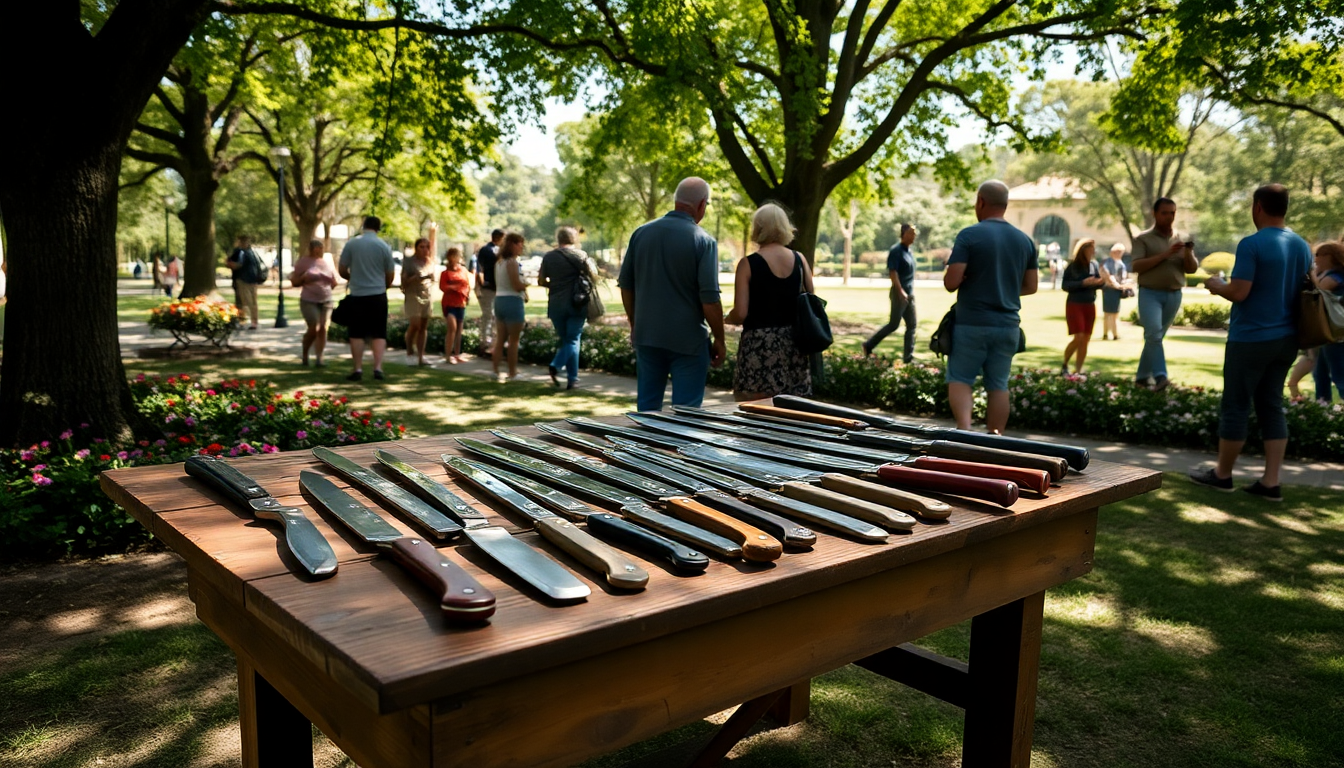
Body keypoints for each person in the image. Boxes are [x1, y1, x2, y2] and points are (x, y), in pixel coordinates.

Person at [1189, 185, 1312, 501]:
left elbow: (1239, 292)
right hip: (1287, 339)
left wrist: (1216, 285)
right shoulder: (1301, 245)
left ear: (1257, 207)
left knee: (1236, 404)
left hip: (1251, 338)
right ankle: (1271, 482)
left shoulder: (1252, 244)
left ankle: (1222, 474)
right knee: (1272, 404)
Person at [619, 176, 727, 411]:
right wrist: (719, 338)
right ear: (701, 205)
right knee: (686, 415)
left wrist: (634, 322)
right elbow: (709, 299)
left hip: (648, 335)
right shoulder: (704, 241)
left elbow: (626, 285)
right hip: (688, 340)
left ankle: (644, 448)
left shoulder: (641, 234)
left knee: (647, 410)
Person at [942, 180, 1038, 434]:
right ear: (1005, 205)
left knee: (961, 379)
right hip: (1007, 326)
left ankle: (964, 430)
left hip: (971, 323)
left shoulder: (969, 235)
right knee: (998, 384)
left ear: (980, 201)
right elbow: (1031, 286)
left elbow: (951, 282)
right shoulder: (1025, 241)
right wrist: (1003, 287)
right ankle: (996, 438)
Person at [726, 203, 817, 399]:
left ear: (758, 228)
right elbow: (811, 300)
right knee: (792, 412)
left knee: (754, 410)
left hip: (759, 346)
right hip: (794, 344)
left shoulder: (747, 264)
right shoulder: (800, 260)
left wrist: (726, 318)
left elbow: (740, 313)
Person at [1131, 198, 1198, 390]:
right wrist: (1165, 254)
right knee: (1153, 335)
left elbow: (1191, 269)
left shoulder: (1181, 238)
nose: (1169, 217)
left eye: (1172, 213)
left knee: (1156, 338)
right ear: (1154, 213)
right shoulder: (1142, 239)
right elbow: (1136, 266)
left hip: (1174, 294)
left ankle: (1142, 378)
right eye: (1164, 213)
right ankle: (1161, 377)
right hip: (1150, 293)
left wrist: (1188, 254)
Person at [337, 216, 396, 381]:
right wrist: (384, 286)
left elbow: (342, 268)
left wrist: (352, 277)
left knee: (356, 333)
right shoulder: (383, 246)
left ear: (363, 226)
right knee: (379, 333)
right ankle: (377, 368)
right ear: (378, 228)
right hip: (378, 294)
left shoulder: (352, 244)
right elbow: (390, 273)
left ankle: (358, 368)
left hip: (357, 294)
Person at [538, 226, 594, 390]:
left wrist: (554, 284)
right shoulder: (580, 255)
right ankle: (558, 366)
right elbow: (592, 277)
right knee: (573, 339)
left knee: (567, 340)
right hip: (577, 302)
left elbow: (541, 280)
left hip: (556, 303)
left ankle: (573, 380)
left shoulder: (549, 257)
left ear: (558, 239)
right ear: (573, 239)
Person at [862, 223, 917, 362]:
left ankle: (908, 358)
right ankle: (868, 345)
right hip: (900, 295)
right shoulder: (896, 251)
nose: (913, 235)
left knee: (912, 325)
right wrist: (901, 292)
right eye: (911, 233)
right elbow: (893, 273)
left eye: (914, 233)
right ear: (903, 234)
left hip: (910, 294)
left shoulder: (909, 252)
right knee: (893, 324)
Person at [1060, 239, 1107, 375]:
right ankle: (1065, 364)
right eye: (1091, 249)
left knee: (1086, 338)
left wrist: (1100, 281)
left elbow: (1100, 285)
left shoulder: (1093, 265)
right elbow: (1065, 285)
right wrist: (1082, 283)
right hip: (1075, 304)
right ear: (1083, 250)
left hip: (1089, 304)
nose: (1093, 252)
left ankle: (1079, 370)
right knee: (1078, 337)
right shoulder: (1073, 266)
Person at [290, 239, 337, 367]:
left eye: (321, 248)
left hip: (326, 300)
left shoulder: (326, 262)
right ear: (311, 249)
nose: (319, 251)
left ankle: (319, 358)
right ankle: (305, 354)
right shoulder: (303, 262)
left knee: (323, 328)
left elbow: (334, 281)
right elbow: (295, 282)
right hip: (309, 300)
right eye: (317, 248)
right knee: (314, 327)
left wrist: (331, 282)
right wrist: (304, 277)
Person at [491, 232, 529, 382]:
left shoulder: (499, 263)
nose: (522, 247)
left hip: (499, 300)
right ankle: (512, 372)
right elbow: (516, 285)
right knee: (514, 340)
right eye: (520, 244)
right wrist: (527, 283)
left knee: (500, 339)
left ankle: (495, 370)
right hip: (512, 302)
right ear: (513, 244)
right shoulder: (512, 262)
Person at [1309, 241, 1344, 401]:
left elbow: (1316, 292)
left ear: (1329, 257)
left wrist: (1313, 273)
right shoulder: (1330, 274)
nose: (1316, 258)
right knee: (1320, 373)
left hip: (1336, 333)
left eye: (1319, 255)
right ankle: (1322, 408)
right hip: (1330, 332)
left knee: (1339, 375)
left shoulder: (1334, 277)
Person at [401, 237, 435, 366]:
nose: (425, 249)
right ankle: (410, 351)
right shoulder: (409, 261)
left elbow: (432, 279)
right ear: (416, 248)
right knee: (415, 324)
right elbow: (404, 282)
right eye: (422, 247)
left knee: (423, 327)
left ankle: (421, 357)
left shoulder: (430, 262)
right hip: (412, 295)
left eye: (427, 247)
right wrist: (415, 277)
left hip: (427, 295)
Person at [438, 247, 471, 364]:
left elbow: (467, 285)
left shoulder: (463, 271)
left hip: (460, 302)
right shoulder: (445, 273)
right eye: (456, 255)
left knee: (459, 330)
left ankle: (457, 354)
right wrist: (453, 288)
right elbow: (443, 287)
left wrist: (467, 296)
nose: (458, 258)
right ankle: (448, 355)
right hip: (449, 303)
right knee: (452, 328)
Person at [474, 229, 504, 351]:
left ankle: (489, 341)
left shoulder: (487, 250)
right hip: (489, 287)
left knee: (492, 315)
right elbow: (481, 269)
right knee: (488, 314)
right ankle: (485, 341)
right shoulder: (489, 250)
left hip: (493, 287)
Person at [226, 235, 265, 329]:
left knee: (245, 302)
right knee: (253, 302)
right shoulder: (253, 252)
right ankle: (254, 322)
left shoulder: (241, 252)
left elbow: (237, 265)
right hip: (254, 280)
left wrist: (229, 264)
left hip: (243, 280)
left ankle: (243, 322)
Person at [1100, 242, 1130, 340]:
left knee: (1114, 313)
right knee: (1109, 313)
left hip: (1116, 290)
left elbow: (1123, 277)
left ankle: (1113, 333)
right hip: (1109, 290)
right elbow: (1109, 275)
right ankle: (1109, 333)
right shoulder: (1109, 262)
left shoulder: (1121, 264)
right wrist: (1116, 284)